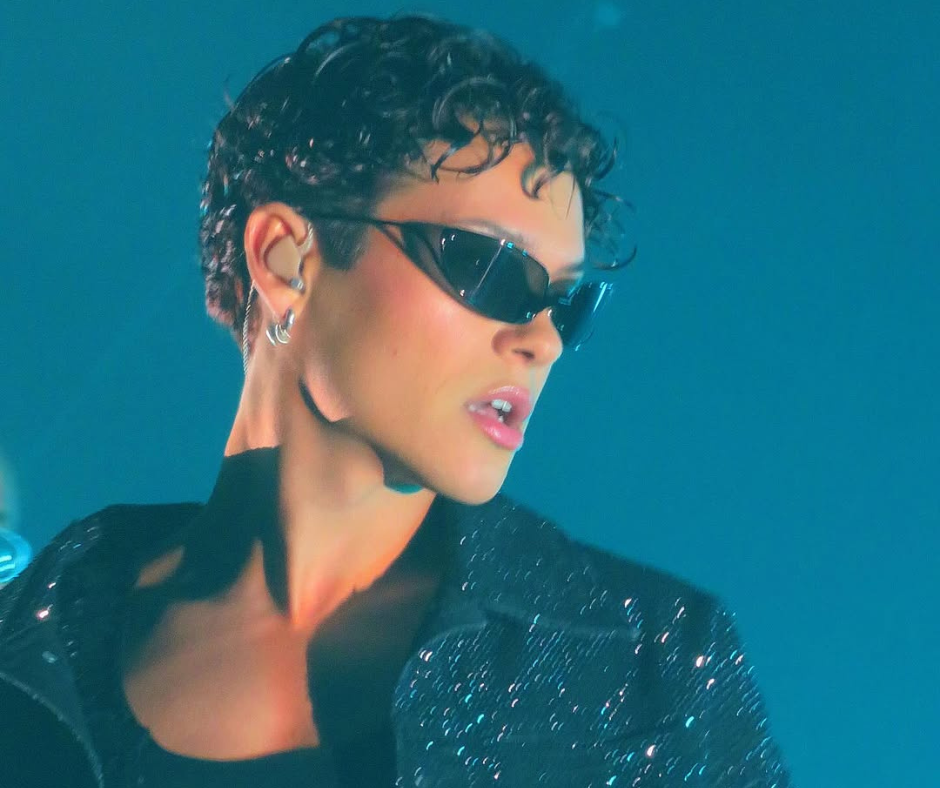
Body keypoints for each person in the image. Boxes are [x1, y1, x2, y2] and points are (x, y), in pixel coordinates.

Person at [0, 15, 792, 788]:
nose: (542, 340)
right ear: (284, 260)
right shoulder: (32, 645)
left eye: (565, 303)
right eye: (488, 267)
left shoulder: (652, 672)